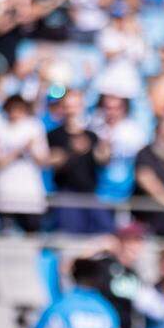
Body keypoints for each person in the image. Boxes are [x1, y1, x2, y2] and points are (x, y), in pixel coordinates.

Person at [47, 89, 112, 234]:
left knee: (105, 230)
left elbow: (102, 161)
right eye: (69, 106)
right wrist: (72, 150)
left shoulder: (91, 135)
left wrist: (105, 144)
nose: (72, 110)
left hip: (89, 193)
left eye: (75, 105)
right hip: (67, 194)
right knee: (70, 235)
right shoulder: (54, 134)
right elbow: (51, 160)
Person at [0, 95, 49, 232]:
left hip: (30, 195)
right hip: (6, 193)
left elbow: (43, 160)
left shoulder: (34, 127)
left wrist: (31, 149)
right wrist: (19, 149)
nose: (15, 113)